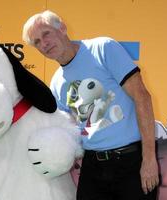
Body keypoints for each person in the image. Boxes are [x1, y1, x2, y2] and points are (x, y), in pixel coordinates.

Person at [22, 10, 159, 200]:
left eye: (46, 34)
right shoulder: (56, 83)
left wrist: (149, 160)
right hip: (93, 167)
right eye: (36, 42)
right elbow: (67, 131)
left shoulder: (103, 48)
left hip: (132, 162)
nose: (44, 43)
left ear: (62, 28)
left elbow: (142, 97)